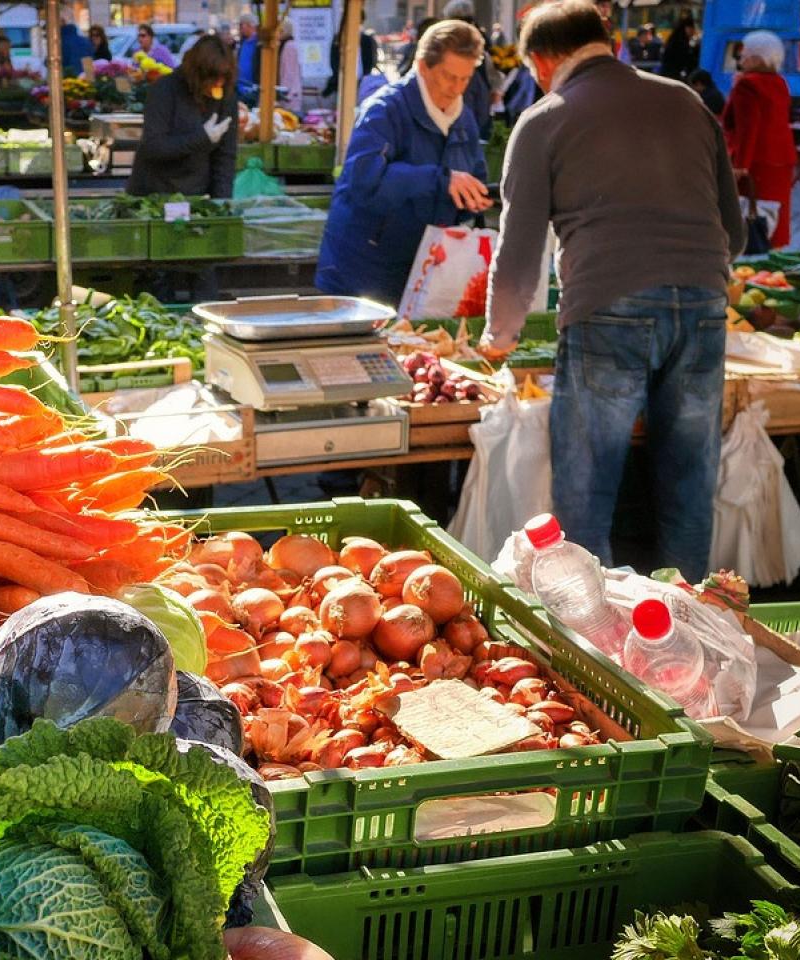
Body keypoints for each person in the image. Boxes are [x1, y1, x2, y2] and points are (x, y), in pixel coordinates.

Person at [482, 0, 745, 579]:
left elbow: (519, 249)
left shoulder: (546, 116)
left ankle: (593, 647)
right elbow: (737, 231)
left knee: (586, 492)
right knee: (688, 486)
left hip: (609, 309)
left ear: (544, 62)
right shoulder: (687, 102)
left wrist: (498, 337)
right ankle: (691, 634)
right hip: (704, 306)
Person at [316, 20, 491, 304]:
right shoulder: (384, 111)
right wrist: (441, 180)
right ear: (423, 66)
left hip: (423, 269)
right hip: (361, 272)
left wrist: (472, 199)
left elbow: (474, 176)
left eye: (465, 78)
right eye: (449, 76)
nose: (456, 88)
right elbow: (365, 182)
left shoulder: (465, 120)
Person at [129, 34, 237, 196]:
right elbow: (153, 147)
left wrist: (221, 202)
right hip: (155, 191)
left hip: (198, 192)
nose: (218, 84)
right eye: (213, 78)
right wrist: (201, 137)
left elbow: (225, 156)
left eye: (223, 78)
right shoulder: (164, 90)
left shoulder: (226, 95)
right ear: (198, 73)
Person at [723, 31, 796, 248]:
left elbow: (748, 128)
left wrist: (740, 166)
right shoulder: (780, 82)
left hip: (755, 161)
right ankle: (774, 260)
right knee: (775, 218)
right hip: (781, 158)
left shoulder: (747, 84)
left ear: (757, 57)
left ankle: (753, 264)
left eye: (744, 54)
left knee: (750, 218)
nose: (741, 59)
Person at [438, 0, 502, 141]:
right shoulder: (480, 37)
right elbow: (494, 78)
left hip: (464, 101)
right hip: (478, 102)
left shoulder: (446, 41)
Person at [323, 27, 379, 98]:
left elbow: (371, 58)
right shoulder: (338, 38)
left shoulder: (366, 39)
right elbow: (333, 60)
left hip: (361, 80)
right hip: (343, 79)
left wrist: (366, 73)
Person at [275, 22, 304, 113]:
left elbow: (289, 72)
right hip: (289, 92)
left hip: (289, 94)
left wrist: (284, 93)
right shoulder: (286, 45)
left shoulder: (289, 46)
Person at [237, 15, 259, 97]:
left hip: (253, 87)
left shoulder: (259, 42)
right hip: (240, 87)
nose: (240, 28)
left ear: (250, 25)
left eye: (241, 25)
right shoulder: (242, 42)